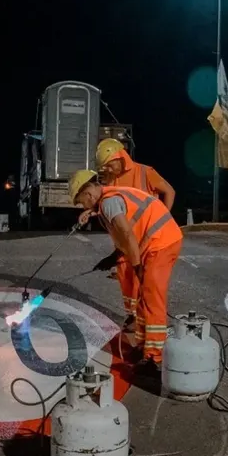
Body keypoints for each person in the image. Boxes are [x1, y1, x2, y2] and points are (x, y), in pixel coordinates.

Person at [69, 169, 183, 373]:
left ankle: (155, 359)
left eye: (80, 201)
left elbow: (128, 235)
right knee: (142, 297)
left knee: (151, 298)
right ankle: (143, 347)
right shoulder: (107, 199)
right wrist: (114, 257)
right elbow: (125, 235)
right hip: (153, 242)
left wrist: (137, 265)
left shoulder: (108, 203)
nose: (82, 206)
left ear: (88, 194)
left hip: (162, 242)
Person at [79, 138, 176, 323]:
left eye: (108, 165)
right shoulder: (113, 180)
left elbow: (169, 192)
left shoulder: (145, 172)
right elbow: (110, 203)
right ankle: (133, 315)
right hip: (127, 239)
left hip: (148, 237)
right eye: (103, 167)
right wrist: (90, 211)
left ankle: (149, 319)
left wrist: (163, 220)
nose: (105, 170)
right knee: (126, 274)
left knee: (147, 280)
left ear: (120, 157)